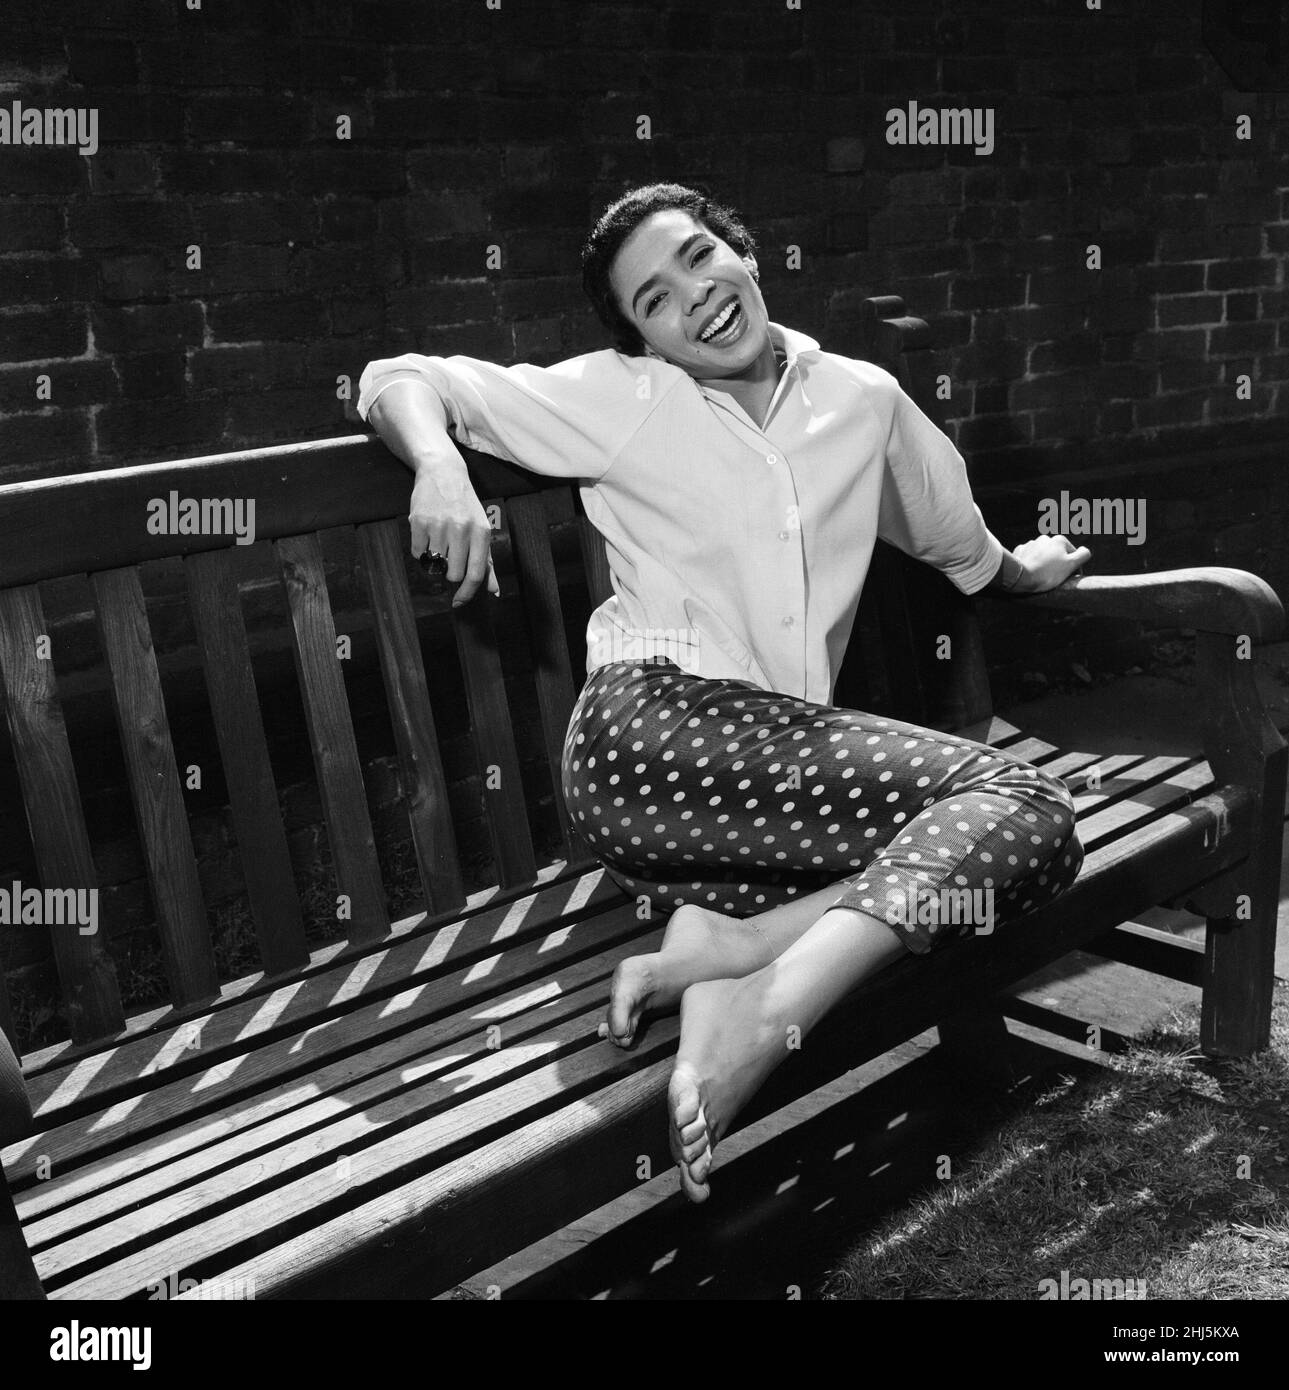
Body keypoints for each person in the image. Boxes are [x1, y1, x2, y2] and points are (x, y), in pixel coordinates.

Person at [357, 182, 1091, 1203]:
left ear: (744, 251)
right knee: (1022, 802)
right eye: (653, 300)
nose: (692, 296)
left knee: (1027, 843)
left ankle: (721, 944)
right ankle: (767, 991)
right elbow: (400, 377)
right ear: (644, 340)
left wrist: (1019, 568)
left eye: (698, 256)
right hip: (645, 733)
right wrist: (438, 464)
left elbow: (952, 538)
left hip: (757, 792)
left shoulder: (862, 398)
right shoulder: (628, 399)